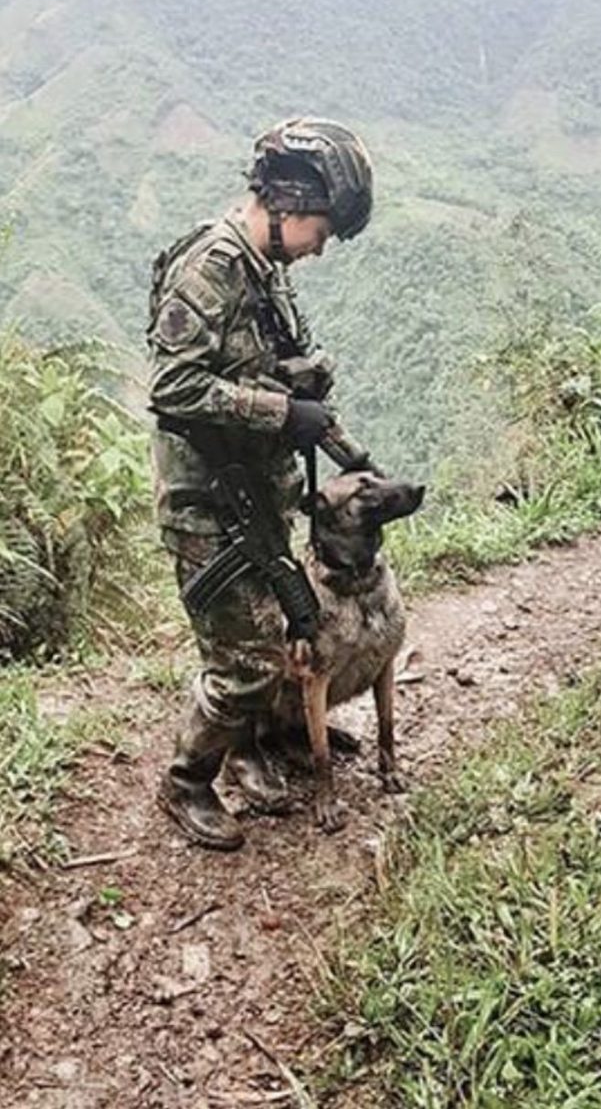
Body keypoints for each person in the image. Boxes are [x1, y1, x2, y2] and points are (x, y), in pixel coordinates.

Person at [147, 117, 375, 850]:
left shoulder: (261, 271)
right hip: (207, 503)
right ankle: (186, 780)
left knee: (283, 628)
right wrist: (281, 408)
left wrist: (345, 451)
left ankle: (250, 749)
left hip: (257, 489)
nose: (320, 246)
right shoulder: (209, 268)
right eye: (321, 229)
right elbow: (173, 388)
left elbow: (283, 374)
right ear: (286, 205)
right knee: (243, 660)